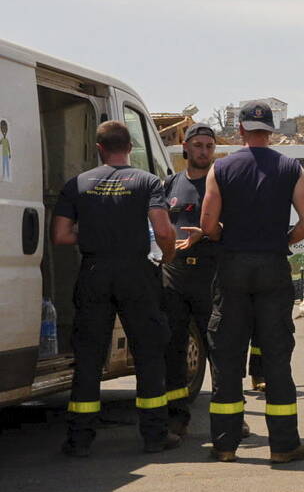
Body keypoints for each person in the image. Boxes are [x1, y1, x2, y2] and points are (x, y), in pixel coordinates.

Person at [52, 120, 178, 456]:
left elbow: (61, 235)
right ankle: (154, 435)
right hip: (136, 272)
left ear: (99, 148)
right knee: (149, 353)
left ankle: (79, 440)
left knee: (90, 356)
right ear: (130, 147)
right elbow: (164, 230)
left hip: (94, 270)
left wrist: (94, 234)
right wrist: (166, 256)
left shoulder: (77, 183)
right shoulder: (147, 181)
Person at [200, 101, 304, 464]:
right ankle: (283, 446)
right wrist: (282, 241)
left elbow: (207, 225)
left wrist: (226, 238)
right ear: (271, 130)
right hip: (272, 267)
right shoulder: (290, 167)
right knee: (277, 357)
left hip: (233, 265)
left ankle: (224, 445)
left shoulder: (220, 168)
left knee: (228, 356)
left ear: (240, 130)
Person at [160, 123, 222, 437]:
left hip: (209, 276)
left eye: (209, 146)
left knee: (219, 347)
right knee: (174, 347)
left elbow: (235, 227)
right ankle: (176, 416)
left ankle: (228, 417)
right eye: (198, 145)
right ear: (186, 147)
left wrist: (210, 232)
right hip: (174, 274)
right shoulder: (169, 184)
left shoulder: (222, 184)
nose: (203, 151)